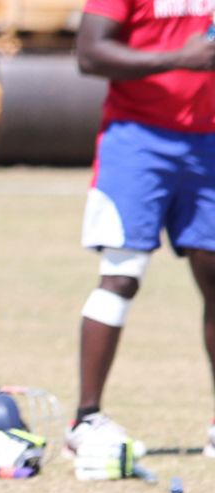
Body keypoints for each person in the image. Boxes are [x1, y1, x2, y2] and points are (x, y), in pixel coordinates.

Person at [67, 4, 215, 456]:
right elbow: (90, 53)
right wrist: (177, 58)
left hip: (210, 141)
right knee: (121, 275)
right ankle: (86, 419)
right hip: (137, 138)